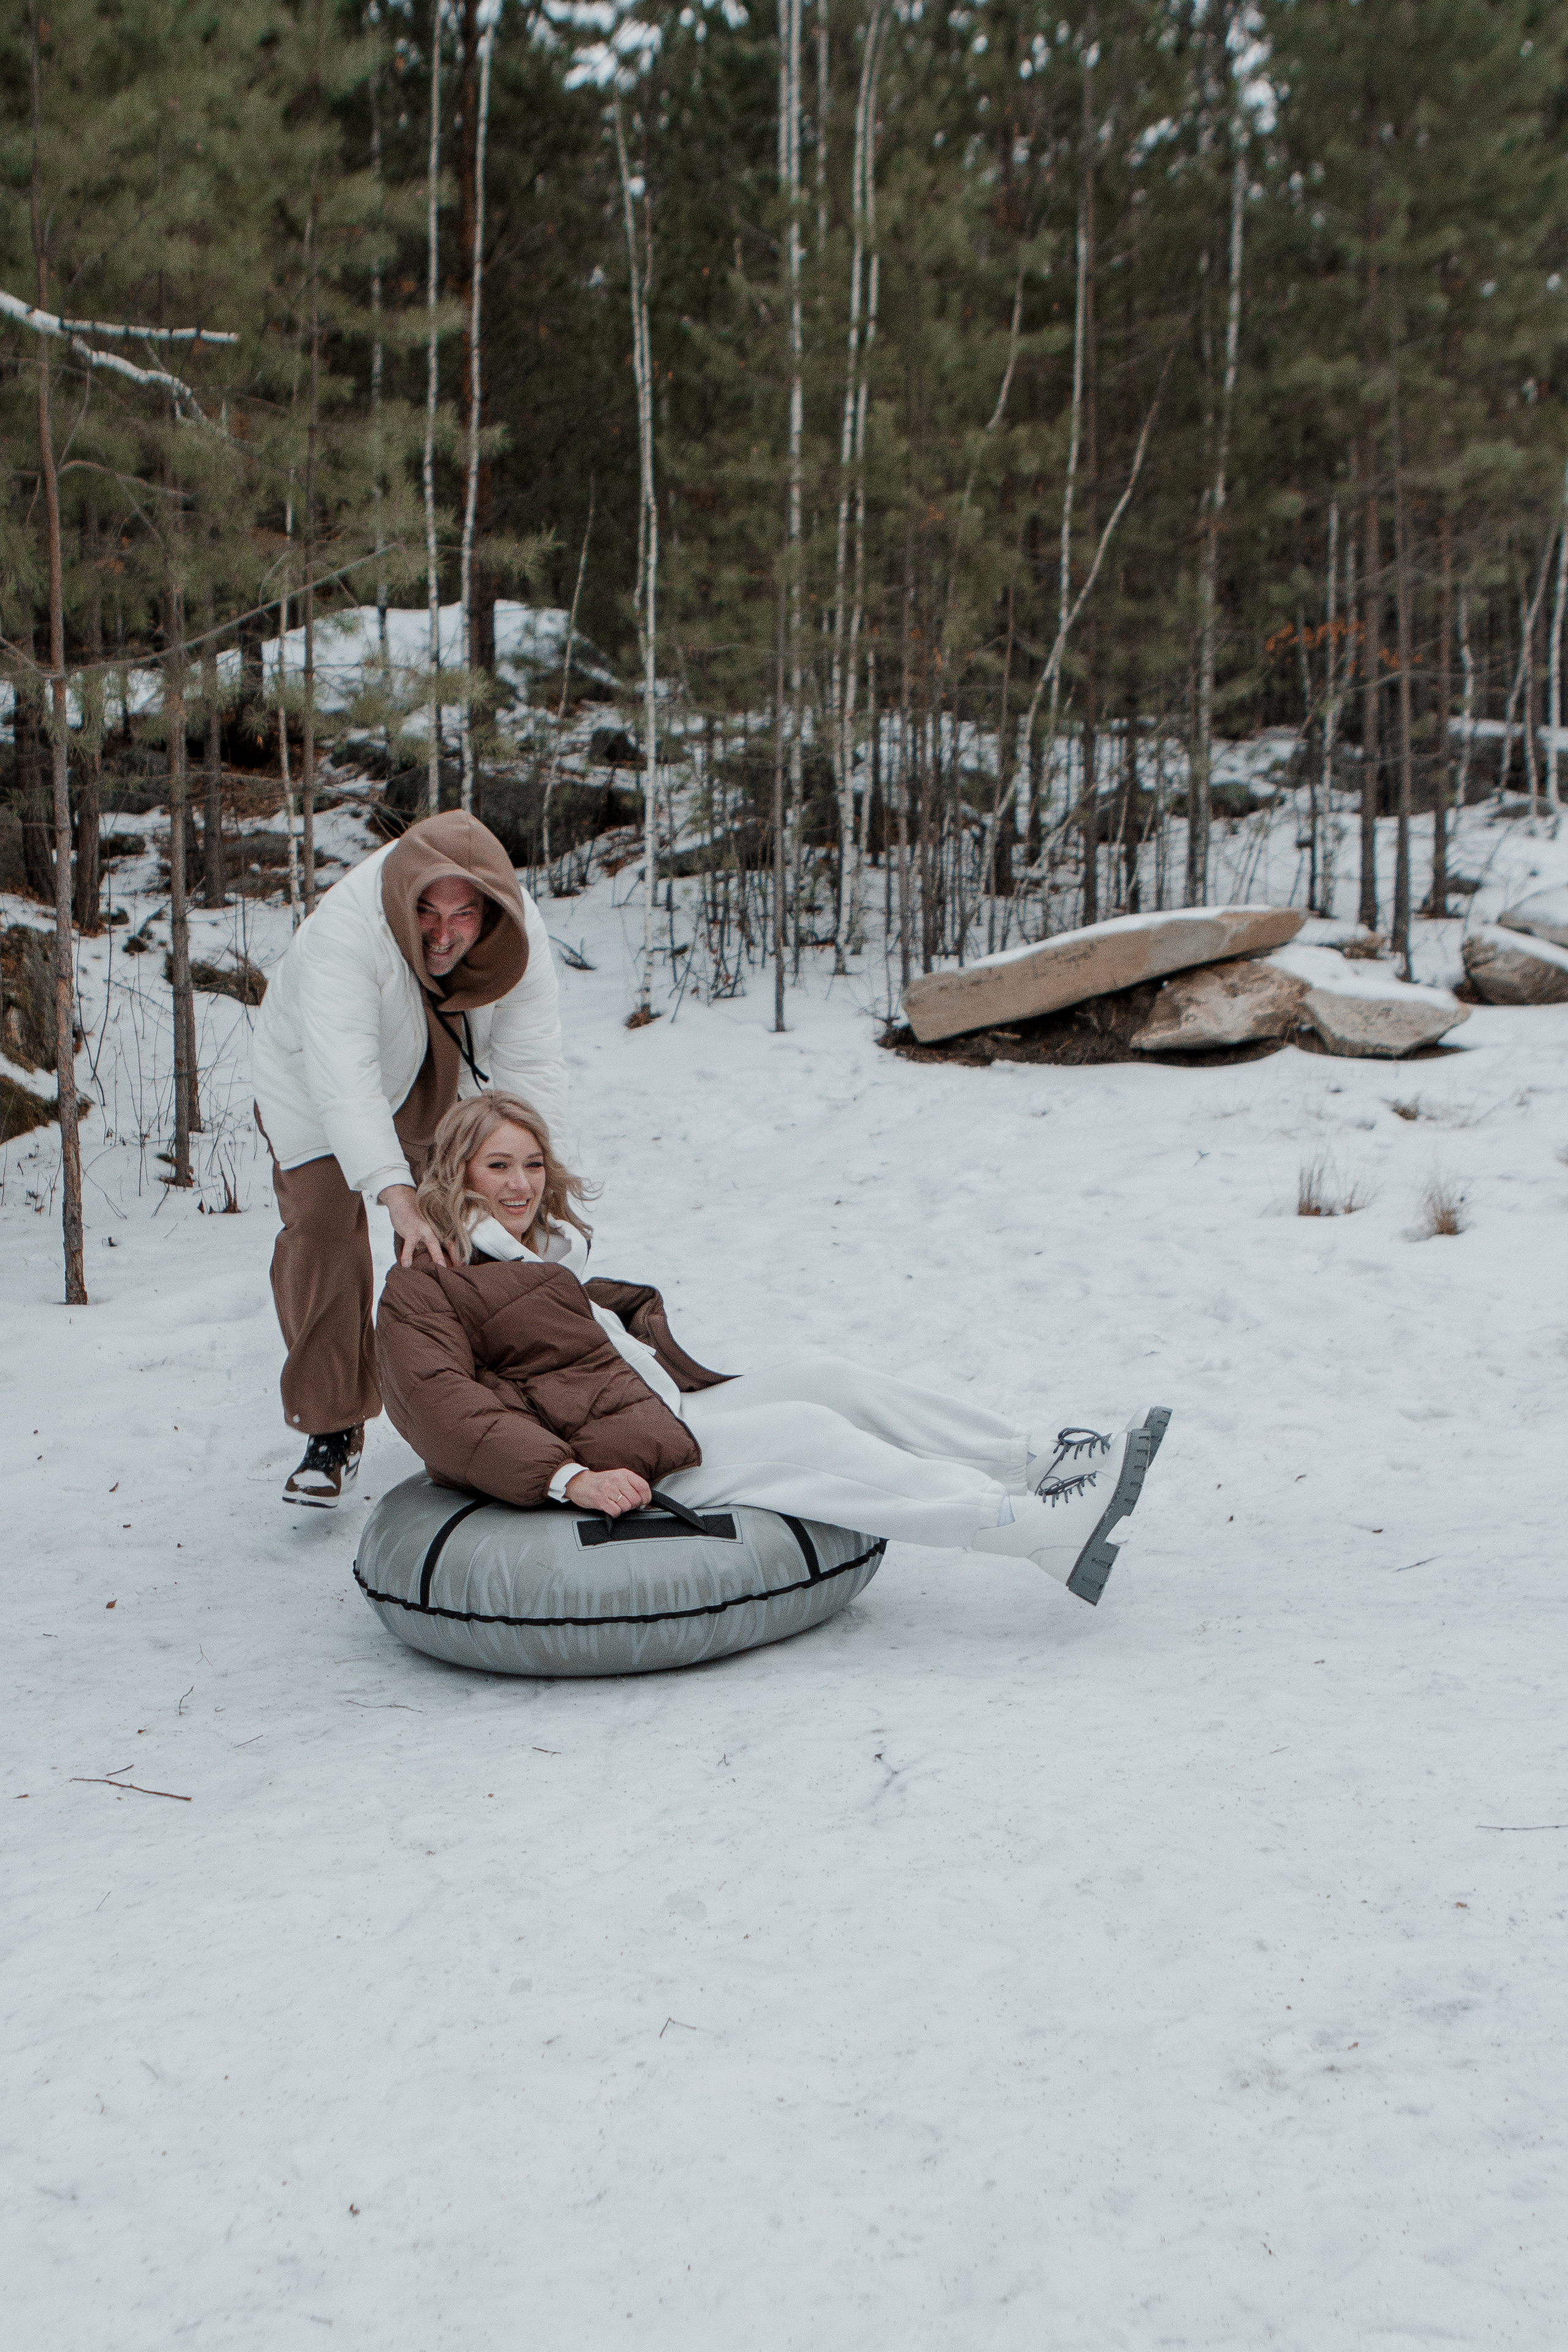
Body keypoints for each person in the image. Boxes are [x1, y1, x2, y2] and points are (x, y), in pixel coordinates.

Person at [373, 1091, 1172, 1605]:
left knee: (824, 1375)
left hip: (663, 1409)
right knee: (808, 1435)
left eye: (533, 1164)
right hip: (629, 1448)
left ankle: (1038, 1459)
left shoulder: (533, 1257)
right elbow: (445, 1409)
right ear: (459, 1174)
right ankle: (1018, 1525)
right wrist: (569, 1477)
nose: (521, 1184)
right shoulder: (428, 1278)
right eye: (499, 1166)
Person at [252, 815, 567, 1508]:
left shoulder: (519, 926)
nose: (444, 932)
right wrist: (397, 1194)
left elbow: (529, 1063)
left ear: (489, 909)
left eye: (463, 914)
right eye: (426, 911)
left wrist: (525, 1179)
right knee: (325, 1232)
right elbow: (346, 1080)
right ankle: (332, 1427)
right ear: (401, 901)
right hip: (314, 1083)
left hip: (435, 1067)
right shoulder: (346, 931)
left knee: (456, 1237)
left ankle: (478, 1409)